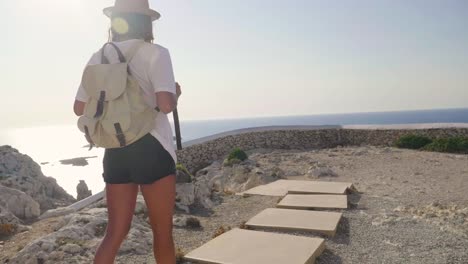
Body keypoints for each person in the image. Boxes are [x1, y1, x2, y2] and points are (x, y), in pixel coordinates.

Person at [73, 1, 181, 263]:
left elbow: (79, 108)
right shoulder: (156, 52)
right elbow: (165, 105)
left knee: (114, 233)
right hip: (152, 146)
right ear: (146, 22)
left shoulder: (98, 56)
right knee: (162, 233)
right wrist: (175, 93)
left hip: (116, 147)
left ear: (115, 21)